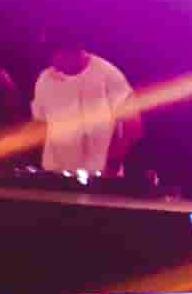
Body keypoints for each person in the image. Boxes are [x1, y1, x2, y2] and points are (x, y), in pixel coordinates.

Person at [30, 32, 137, 184]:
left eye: (55, 57)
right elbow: (40, 124)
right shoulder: (44, 79)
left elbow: (133, 126)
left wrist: (113, 162)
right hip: (55, 175)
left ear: (73, 52)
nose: (52, 64)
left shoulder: (108, 75)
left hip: (100, 177)